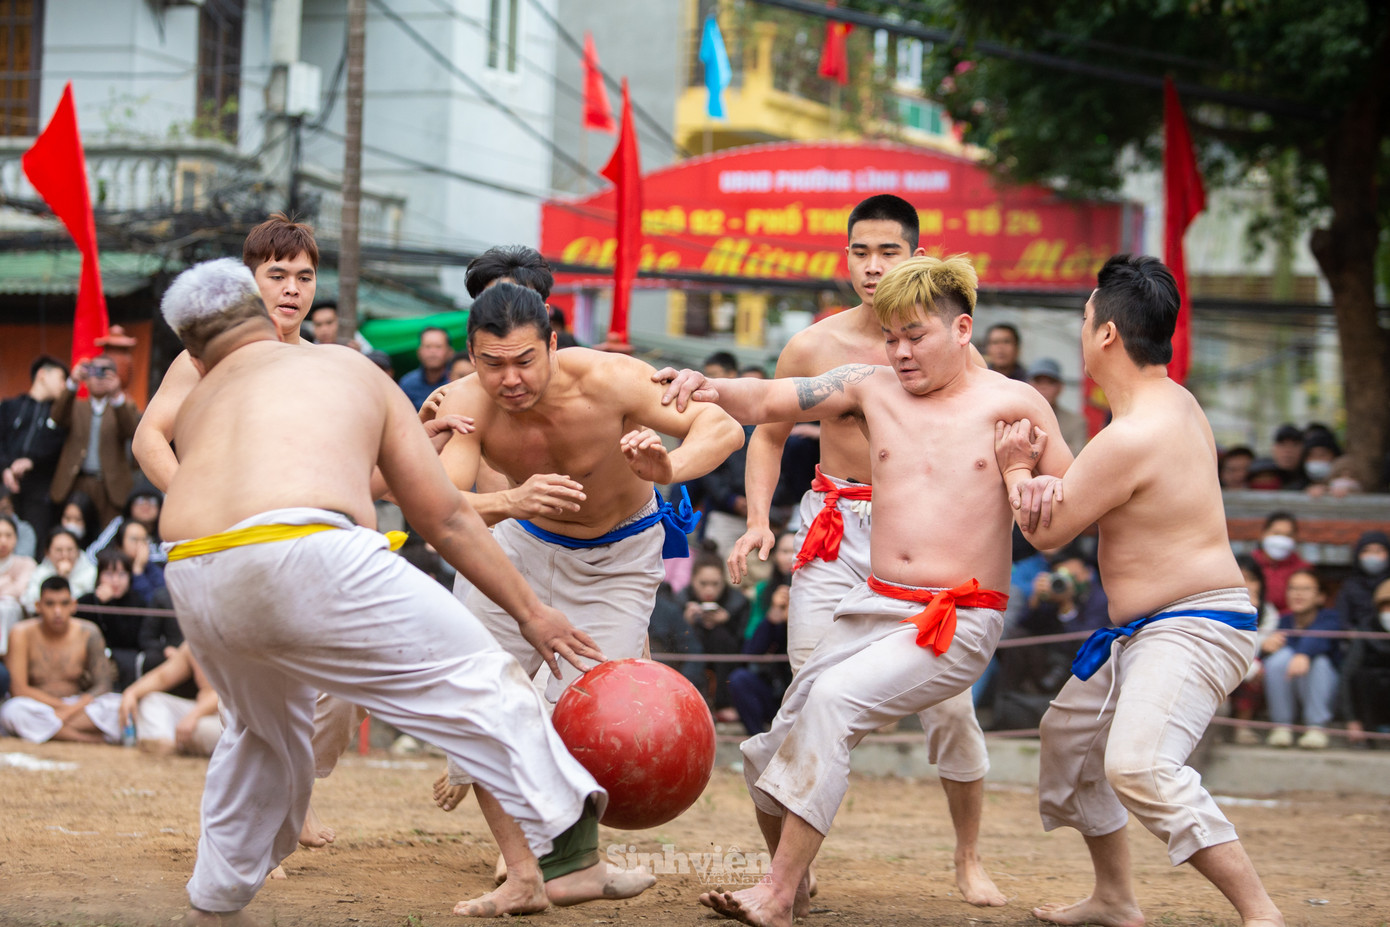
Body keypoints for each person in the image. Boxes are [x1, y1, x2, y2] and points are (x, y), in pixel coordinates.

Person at [155, 257, 609, 924]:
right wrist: (532, 611)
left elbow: (292, 477)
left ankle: (214, 896)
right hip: (305, 551)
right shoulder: (345, 366)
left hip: (193, 570)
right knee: (477, 675)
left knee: (260, 734)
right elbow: (447, 516)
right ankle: (570, 849)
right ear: (262, 307)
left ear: (193, 349)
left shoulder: (201, 400)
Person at [661, 252, 1071, 926]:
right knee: (770, 743)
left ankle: (777, 891)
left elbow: (1064, 515)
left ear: (963, 329)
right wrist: (708, 385)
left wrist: (1033, 481)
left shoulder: (1014, 403)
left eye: (918, 335)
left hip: (958, 613)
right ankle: (793, 880)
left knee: (832, 700)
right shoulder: (869, 385)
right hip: (873, 603)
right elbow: (771, 400)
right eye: (893, 336)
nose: (902, 352)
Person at [425, 280, 745, 908]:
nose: (510, 379)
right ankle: (532, 859)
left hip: (619, 555)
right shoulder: (467, 403)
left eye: (524, 360)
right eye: (492, 364)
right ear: (471, 356)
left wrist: (670, 469)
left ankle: (562, 852)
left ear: (551, 343)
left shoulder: (609, 379)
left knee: (590, 708)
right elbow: (440, 506)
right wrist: (510, 501)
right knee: (485, 693)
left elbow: (722, 426)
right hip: (519, 544)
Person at [996, 253, 1282, 927]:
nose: (1082, 326)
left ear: (1107, 335)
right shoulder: (1171, 405)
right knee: (1070, 737)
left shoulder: (1136, 432)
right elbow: (1087, 488)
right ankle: (1116, 897)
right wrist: (1040, 474)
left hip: (1195, 626)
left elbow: (1050, 532)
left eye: (1085, 315)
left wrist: (1015, 470)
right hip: (1153, 630)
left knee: (1140, 764)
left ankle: (1263, 913)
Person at [1, 576, 122, 743]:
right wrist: (61, 708)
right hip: (39, 706)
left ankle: (53, 732)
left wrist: (70, 710)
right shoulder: (21, 633)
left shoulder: (88, 632)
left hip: (77, 704)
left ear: (73, 605)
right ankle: (87, 739)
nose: (57, 611)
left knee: (117, 707)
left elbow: (103, 685)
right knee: (12, 711)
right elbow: (19, 689)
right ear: (38, 606)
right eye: (50, 604)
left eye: (64, 604)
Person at [48, 354, 142, 527]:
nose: (99, 377)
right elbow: (57, 417)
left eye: (105, 372)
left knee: (107, 533)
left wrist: (116, 395)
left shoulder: (123, 406)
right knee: (74, 529)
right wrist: (73, 383)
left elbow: (131, 430)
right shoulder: (76, 405)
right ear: (86, 377)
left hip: (110, 487)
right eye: (94, 371)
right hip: (77, 481)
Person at [1260, 569, 1340, 749]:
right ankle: (1282, 726)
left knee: (1319, 662)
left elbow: (1321, 636)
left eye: (1305, 589)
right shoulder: (1283, 621)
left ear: (1320, 596)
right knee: (1279, 659)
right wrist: (1264, 646)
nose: (1298, 593)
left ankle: (1316, 727)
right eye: (1293, 588)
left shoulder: (1331, 618)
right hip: (1291, 686)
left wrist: (1304, 653)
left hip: (1327, 692)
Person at [1, 354, 69, 542]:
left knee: (36, 538)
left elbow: (57, 444)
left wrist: (32, 460)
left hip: (40, 489)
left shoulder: (58, 415)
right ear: (42, 375)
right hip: (5, 483)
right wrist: (6, 468)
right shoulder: (10, 406)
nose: (63, 385)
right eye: (61, 378)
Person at [117, 641, 222, 756]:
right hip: (198, 711)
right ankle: (162, 743)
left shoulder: (235, 642)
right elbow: (162, 677)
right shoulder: (194, 643)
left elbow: (227, 695)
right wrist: (131, 693)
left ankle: (181, 745)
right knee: (151, 700)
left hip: (227, 717)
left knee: (202, 730)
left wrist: (194, 716)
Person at [679, 550, 751, 717]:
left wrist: (729, 621)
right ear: (692, 580)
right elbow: (672, 643)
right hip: (692, 669)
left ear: (724, 582)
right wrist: (684, 623)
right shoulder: (681, 599)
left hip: (726, 668)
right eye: (703, 584)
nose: (709, 590)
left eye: (715, 584)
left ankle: (724, 703)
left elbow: (744, 646)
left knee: (720, 636)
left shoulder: (738, 602)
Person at [1336, 530, 1390, 746]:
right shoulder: (1365, 631)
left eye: (1379, 550)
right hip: (1364, 672)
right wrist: (1352, 720)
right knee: (1364, 677)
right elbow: (1347, 676)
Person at [727, 580, 792, 736]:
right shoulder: (777, 618)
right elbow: (751, 653)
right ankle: (758, 741)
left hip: (805, 695)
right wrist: (775, 614)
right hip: (776, 692)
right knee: (739, 679)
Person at [22, 528, 97, 613]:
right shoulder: (40, 572)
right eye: (59, 550)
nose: (65, 555)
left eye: (70, 550)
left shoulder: (91, 571)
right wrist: (58, 578)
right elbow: (29, 603)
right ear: (47, 552)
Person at [1252, 511, 1310, 612]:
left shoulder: (1303, 569)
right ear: (1263, 534)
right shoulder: (1249, 565)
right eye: (1276, 533)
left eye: (1287, 535)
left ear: (1295, 538)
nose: (1281, 540)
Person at [1028, 358, 1088, 455]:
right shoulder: (1017, 417)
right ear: (1029, 385)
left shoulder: (1076, 422)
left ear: (1060, 387)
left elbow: (1078, 456)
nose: (1044, 387)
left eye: (1050, 382)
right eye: (1038, 381)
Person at [0, 513, 37, 665]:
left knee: (7, 606)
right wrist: (8, 582)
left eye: (8, 535)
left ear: (16, 538)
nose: (3, 541)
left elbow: (19, 592)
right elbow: (12, 588)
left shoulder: (26, 563)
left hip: (15, 626)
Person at [398, 327, 453, 410]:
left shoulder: (455, 380)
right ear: (419, 352)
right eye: (428, 346)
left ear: (450, 352)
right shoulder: (407, 384)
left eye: (438, 347)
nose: (432, 351)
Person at [308, 303, 373, 352]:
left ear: (339, 322)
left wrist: (360, 354)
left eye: (329, 322)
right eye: (318, 324)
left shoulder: (353, 338)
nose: (324, 329)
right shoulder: (309, 348)